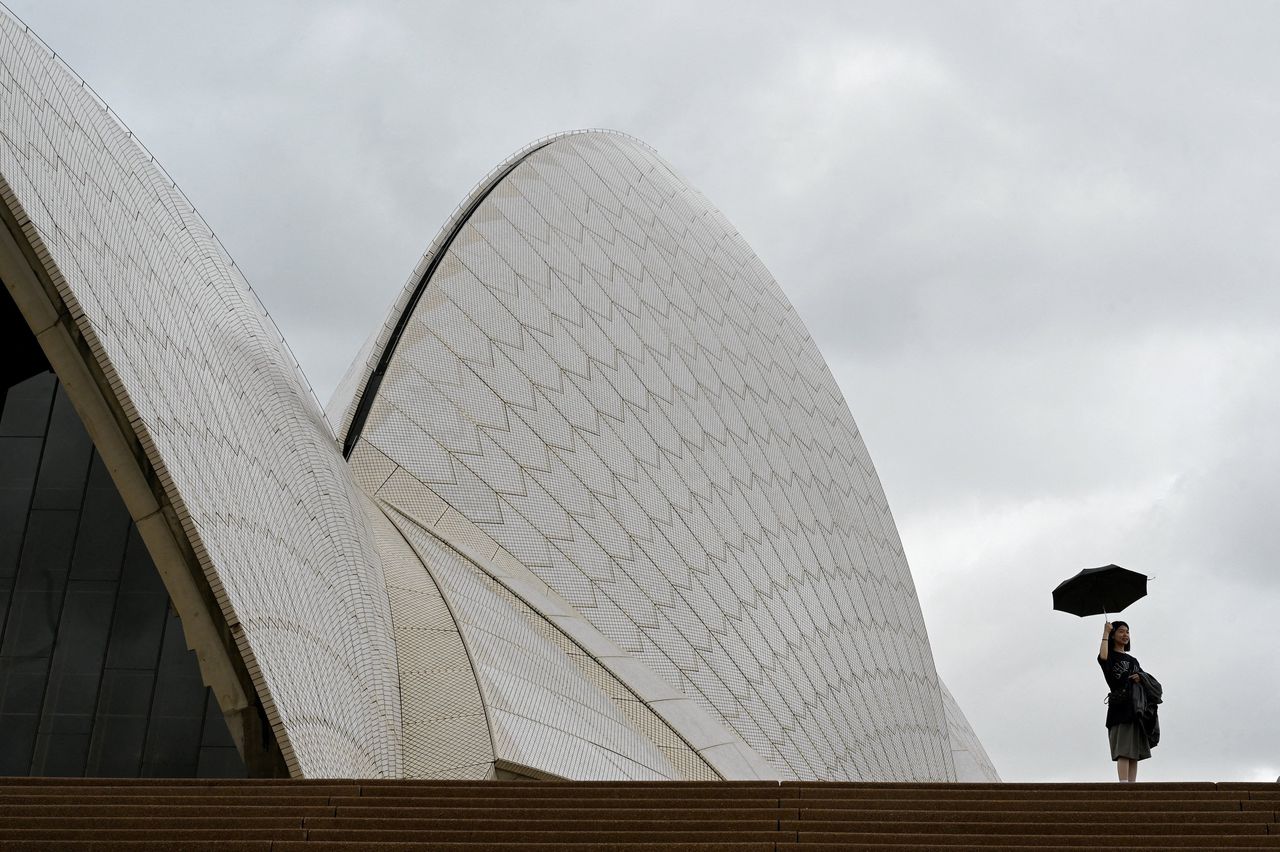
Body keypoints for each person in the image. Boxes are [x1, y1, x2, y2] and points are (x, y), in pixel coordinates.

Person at [1098, 620, 1150, 781]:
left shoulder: (1133, 661)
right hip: (1119, 707)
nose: (1125, 634)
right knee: (1123, 750)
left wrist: (1140, 677)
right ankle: (1123, 787)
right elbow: (1103, 657)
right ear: (1114, 635)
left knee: (1134, 752)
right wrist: (1105, 632)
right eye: (1121, 631)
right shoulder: (1110, 655)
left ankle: (1132, 788)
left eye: (1127, 631)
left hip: (1135, 708)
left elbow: (1146, 680)